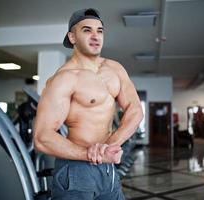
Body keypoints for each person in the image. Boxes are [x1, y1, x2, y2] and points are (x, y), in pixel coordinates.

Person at [34, 8, 143, 200]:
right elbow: (42, 137)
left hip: (108, 169)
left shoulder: (115, 69)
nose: (95, 36)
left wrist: (109, 146)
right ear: (72, 37)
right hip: (76, 171)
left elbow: (135, 110)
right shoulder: (64, 78)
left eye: (99, 31)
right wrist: (91, 154)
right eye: (87, 30)